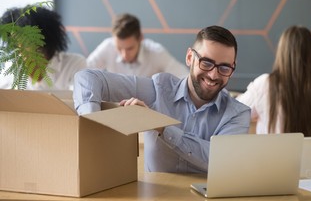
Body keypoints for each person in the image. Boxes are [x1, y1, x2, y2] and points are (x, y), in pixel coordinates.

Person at [74, 25, 251, 173]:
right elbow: (87, 78)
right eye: (206, 63)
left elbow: (221, 160)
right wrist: (91, 125)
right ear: (190, 57)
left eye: (224, 68)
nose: (213, 75)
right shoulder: (158, 89)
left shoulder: (238, 114)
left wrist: (160, 126)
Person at [0, 5, 86, 90]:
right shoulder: (8, 69)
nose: (18, 47)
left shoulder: (74, 64)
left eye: (24, 41)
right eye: (14, 41)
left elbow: (80, 100)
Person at [87, 13, 188, 78]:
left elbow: (184, 76)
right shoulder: (107, 47)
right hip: (114, 107)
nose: (124, 55)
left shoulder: (156, 52)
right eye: (119, 48)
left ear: (141, 38)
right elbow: (83, 72)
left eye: (129, 48)